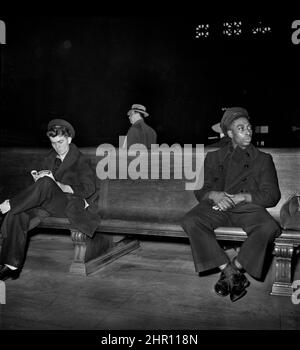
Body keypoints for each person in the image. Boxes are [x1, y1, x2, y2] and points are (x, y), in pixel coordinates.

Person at [181, 107, 281, 302]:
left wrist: (244, 197)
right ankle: (229, 271)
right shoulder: (213, 157)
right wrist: (214, 194)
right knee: (190, 220)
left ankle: (233, 270)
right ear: (230, 134)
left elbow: (272, 195)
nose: (248, 131)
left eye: (249, 127)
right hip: (218, 207)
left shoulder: (263, 159)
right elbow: (200, 190)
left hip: (246, 208)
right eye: (241, 128)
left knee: (269, 227)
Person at [0, 119, 100, 281]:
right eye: (53, 143)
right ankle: (11, 265)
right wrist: (38, 181)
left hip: (69, 204)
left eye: (60, 142)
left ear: (69, 139)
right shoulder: (49, 158)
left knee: (45, 183)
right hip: (47, 204)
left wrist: (60, 185)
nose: (57, 147)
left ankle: (8, 204)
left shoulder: (81, 160)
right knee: (17, 214)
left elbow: (88, 188)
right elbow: (44, 187)